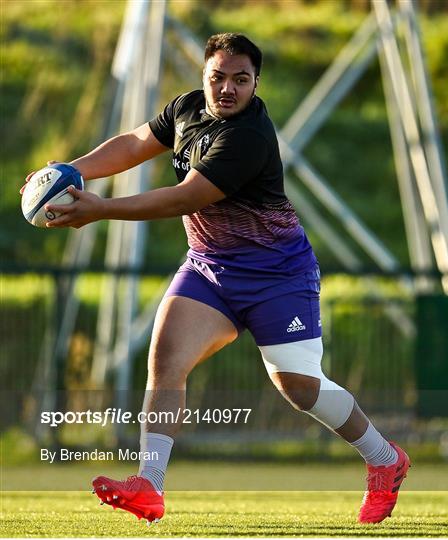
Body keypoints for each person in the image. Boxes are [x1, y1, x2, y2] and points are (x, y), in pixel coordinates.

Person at [23, 33, 410, 525]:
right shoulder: (187, 108)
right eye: (218, 77)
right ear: (204, 76)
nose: (228, 88)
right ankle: (150, 484)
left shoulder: (248, 136)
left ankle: (384, 458)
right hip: (211, 268)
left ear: (255, 84)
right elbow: (134, 144)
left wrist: (101, 210)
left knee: (298, 385)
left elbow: (186, 198)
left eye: (241, 80)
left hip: (278, 274)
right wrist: (64, 174)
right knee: (166, 362)